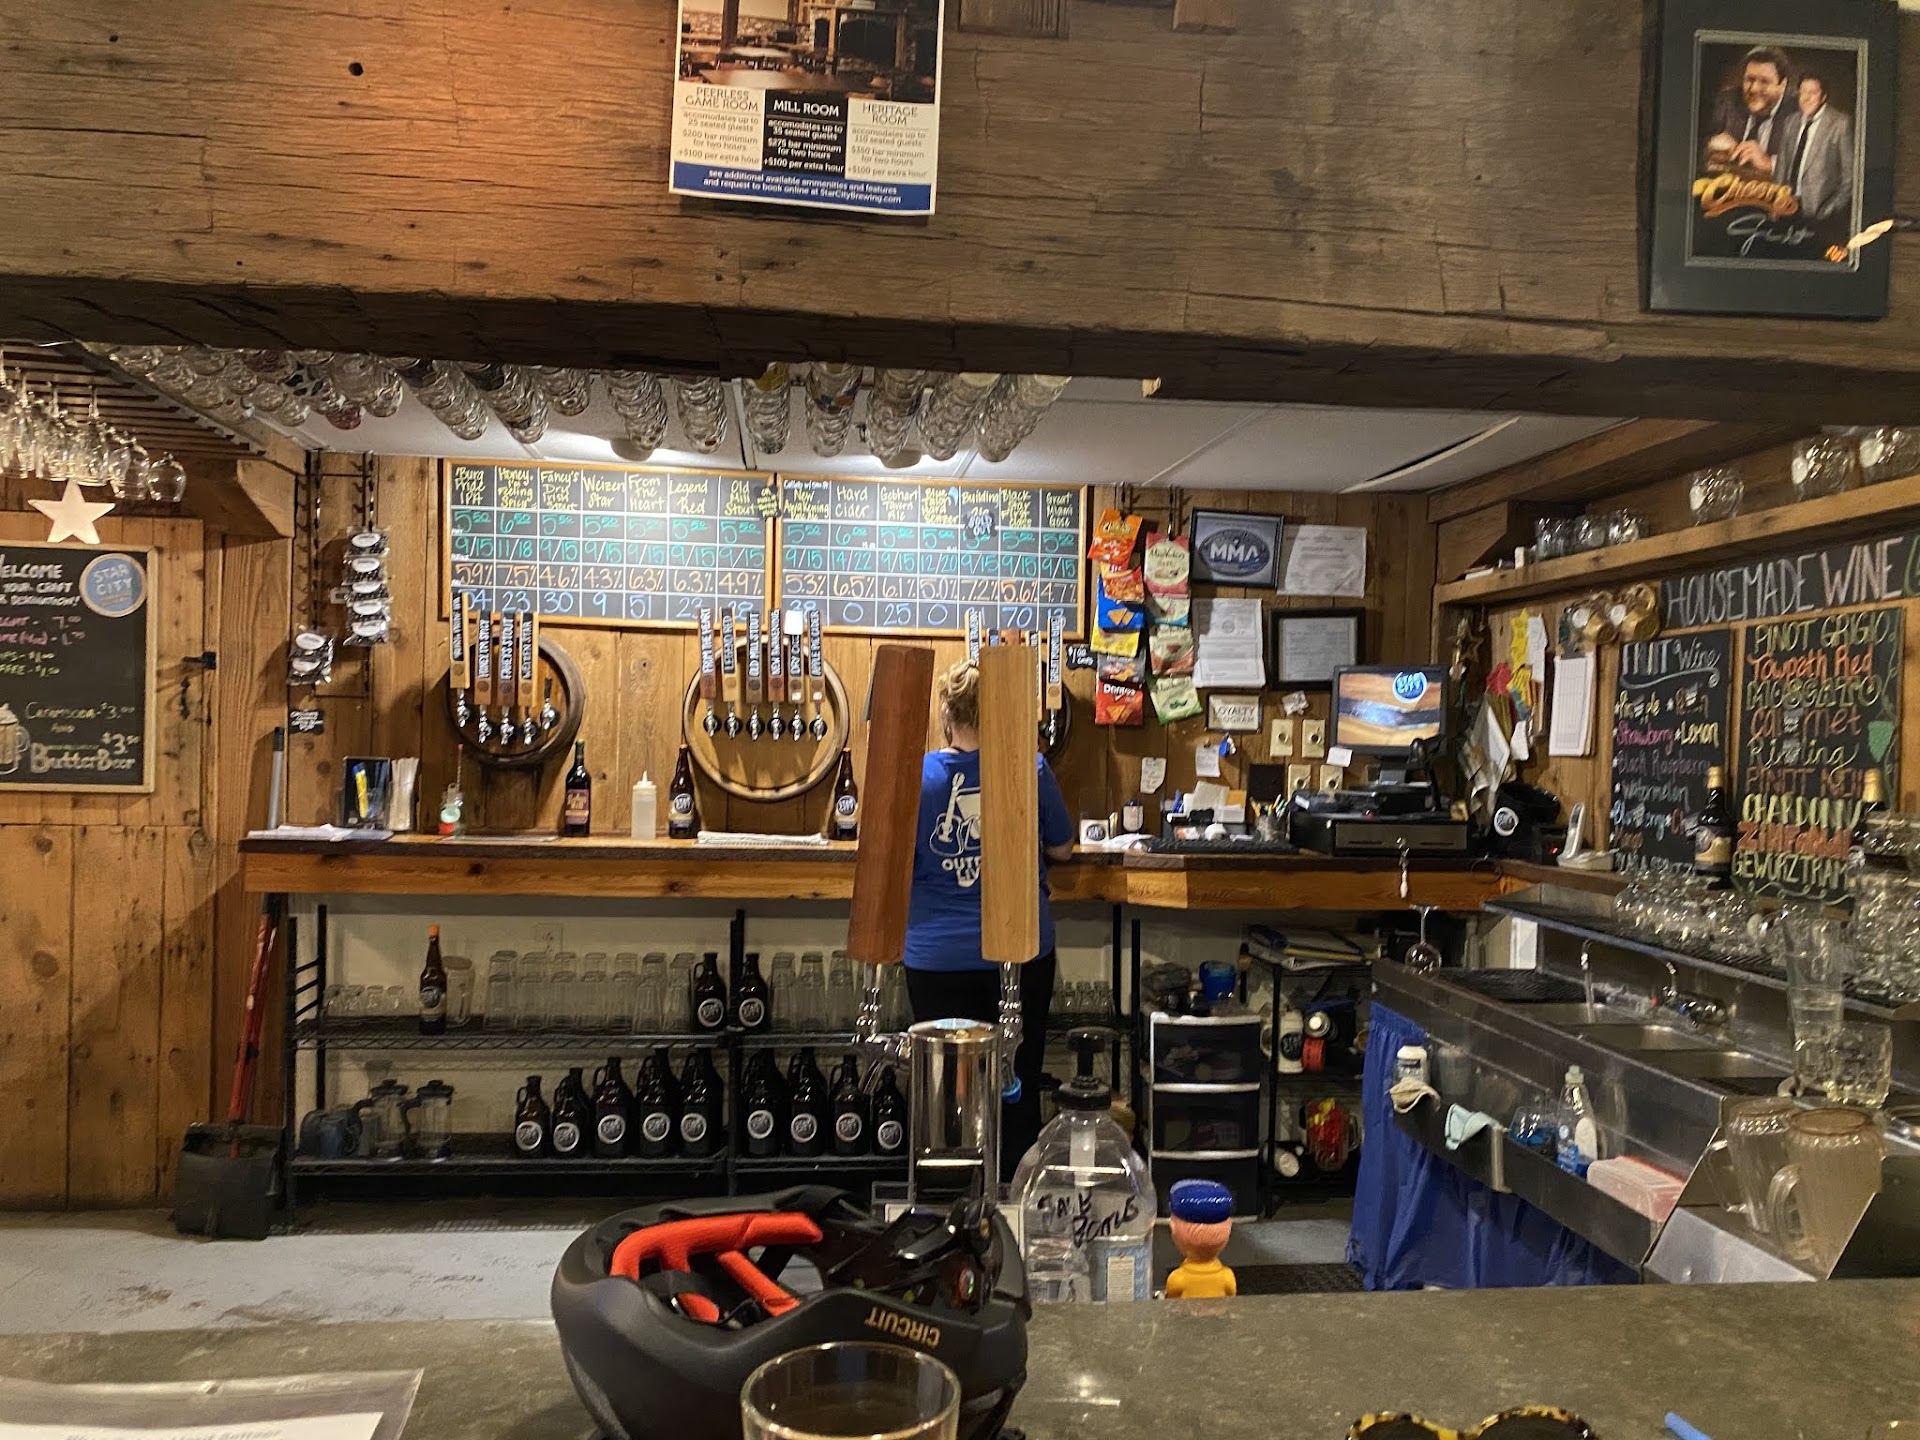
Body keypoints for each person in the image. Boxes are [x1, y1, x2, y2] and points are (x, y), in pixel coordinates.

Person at [903, 657, 1075, 1178]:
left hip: (936, 958)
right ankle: (1013, 1194)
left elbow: (899, 861)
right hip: (1016, 953)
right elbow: (1063, 848)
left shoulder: (918, 775)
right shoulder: (1029, 766)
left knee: (943, 1089)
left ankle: (947, 1193)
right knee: (1015, 1077)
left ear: (946, 714)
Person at [1703, 45, 1795, 176]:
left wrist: (1769, 163)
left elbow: (1811, 164)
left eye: (1764, 81)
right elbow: (1695, 142)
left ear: (1782, 85)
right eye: (1749, 79)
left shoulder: (1799, 110)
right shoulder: (1726, 101)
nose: (1754, 89)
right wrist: (1710, 146)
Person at [1777, 73, 1854, 225]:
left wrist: (1827, 211)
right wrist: (1776, 202)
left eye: (1812, 93)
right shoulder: (1790, 122)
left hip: (1819, 215)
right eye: (1802, 92)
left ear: (1823, 97)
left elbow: (1849, 179)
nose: (1806, 98)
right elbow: (1781, 168)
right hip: (1786, 208)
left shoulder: (1840, 124)